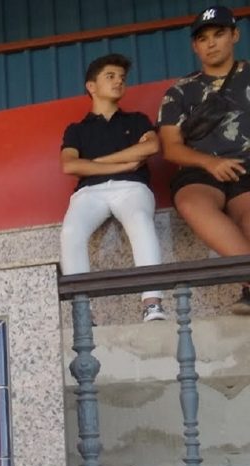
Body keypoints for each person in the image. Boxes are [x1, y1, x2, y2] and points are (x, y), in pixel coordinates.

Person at [60, 53, 168, 321]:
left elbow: (152, 146)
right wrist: (124, 163)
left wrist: (95, 162)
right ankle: (82, 313)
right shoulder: (76, 129)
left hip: (132, 187)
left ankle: (152, 303)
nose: (119, 81)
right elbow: (70, 165)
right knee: (70, 233)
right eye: (110, 76)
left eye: (122, 77)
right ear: (91, 86)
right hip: (89, 193)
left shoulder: (137, 120)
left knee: (140, 220)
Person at [158, 5, 250, 315]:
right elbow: (171, 148)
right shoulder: (179, 92)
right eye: (203, 38)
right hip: (200, 169)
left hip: (247, 169)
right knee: (191, 203)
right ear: (194, 46)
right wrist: (210, 163)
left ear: (234, 35)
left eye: (218, 34)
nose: (211, 43)